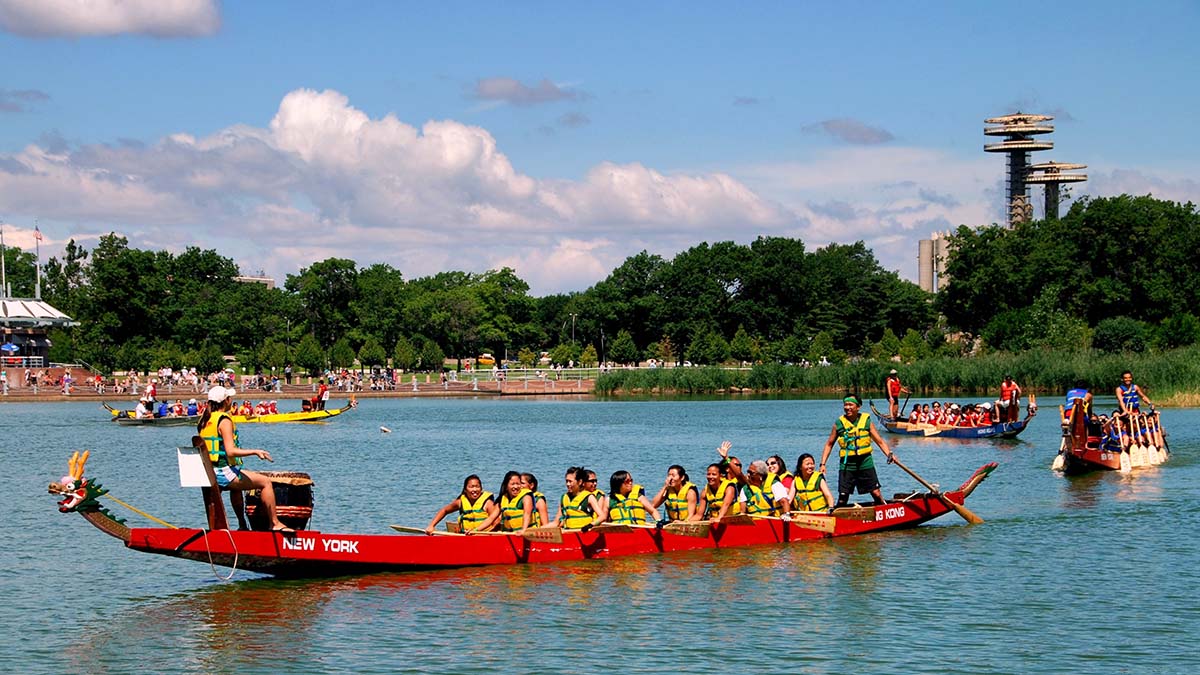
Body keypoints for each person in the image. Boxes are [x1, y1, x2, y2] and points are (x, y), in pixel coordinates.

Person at [197, 385, 292, 533]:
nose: (232, 400)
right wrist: (255, 451)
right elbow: (230, 451)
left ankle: (242, 526)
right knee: (265, 482)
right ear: (226, 400)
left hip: (208, 473)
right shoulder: (224, 420)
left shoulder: (205, 419)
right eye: (230, 398)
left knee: (237, 489)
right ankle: (275, 523)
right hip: (222, 472)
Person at [818, 394, 897, 508]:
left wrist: (889, 454)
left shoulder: (866, 422)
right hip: (847, 464)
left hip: (865, 462)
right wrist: (823, 464)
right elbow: (829, 444)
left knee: (876, 493)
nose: (847, 407)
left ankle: (885, 511)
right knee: (843, 497)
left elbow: (879, 441)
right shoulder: (839, 423)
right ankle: (840, 518)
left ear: (858, 407)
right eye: (845, 405)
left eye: (851, 404)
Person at [425, 474, 498, 534]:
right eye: (471, 487)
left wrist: (483, 533)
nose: (475, 490)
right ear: (465, 490)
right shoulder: (460, 502)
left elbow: (496, 521)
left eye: (477, 487)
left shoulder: (488, 503)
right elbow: (444, 510)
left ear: (481, 489)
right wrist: (432, 525)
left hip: (484, 537)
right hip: (465, 536)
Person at [697, 454, 740, 522]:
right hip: (714, 521)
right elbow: (699, 515)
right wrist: (685, 522)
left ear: (720, 475)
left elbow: (726, 505)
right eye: (708, 474)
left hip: (731, 521)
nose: (710, 477)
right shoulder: (705, 492)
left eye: (714, 474)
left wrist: (719, 518)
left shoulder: (729, 488)